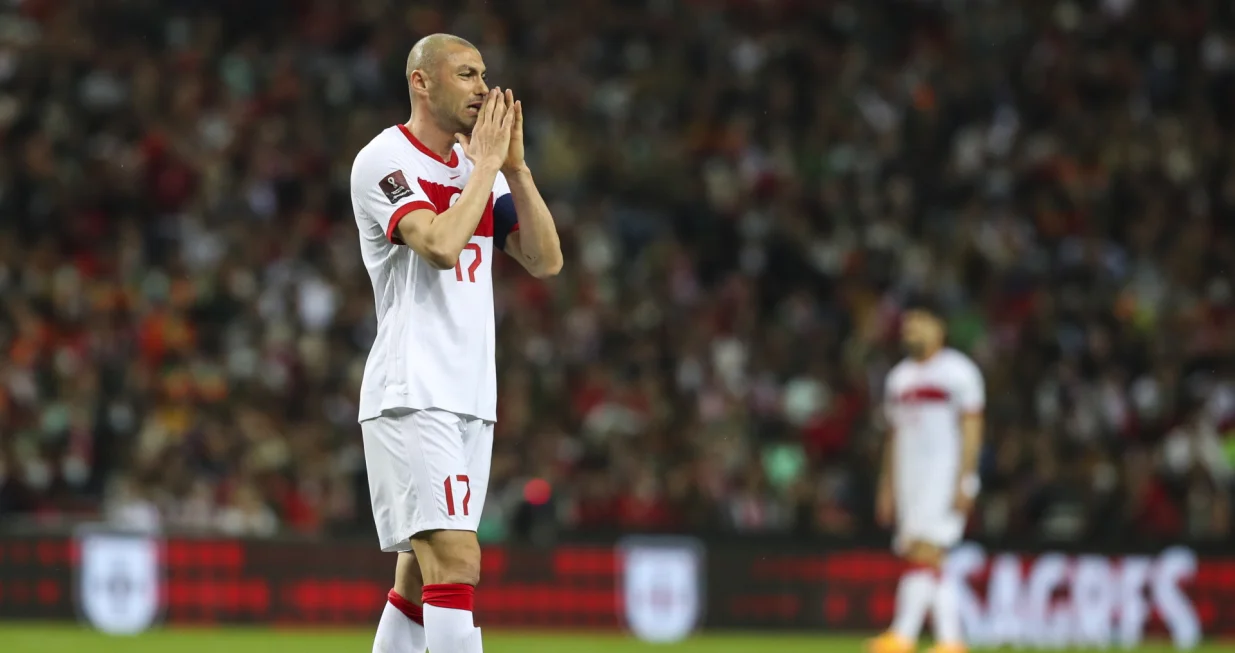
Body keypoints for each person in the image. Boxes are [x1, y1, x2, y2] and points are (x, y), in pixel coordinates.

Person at [348, 33, 563, 653]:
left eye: (484, 74)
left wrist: (514, 168)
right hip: (414, 389)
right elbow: (441, 246)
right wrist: (488, 167)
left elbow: (545, 260)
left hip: (470, 393)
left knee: (419, 578)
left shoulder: (481, 168)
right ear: (421, 82)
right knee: (458, 562)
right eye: (467, 74)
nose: (483, 87)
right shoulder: (382, 159)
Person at [869, 296, 985, 653]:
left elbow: (972, 429)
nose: (911, 329)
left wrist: (966, 479)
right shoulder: (899, 378)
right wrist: (886, 486)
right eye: (908, 323)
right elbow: (893, 437)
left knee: (926, 551)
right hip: (908, 478)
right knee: (925, 557)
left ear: (940, 327)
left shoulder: (959, 372)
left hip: (943, 473)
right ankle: (951, 642)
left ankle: (902, 636)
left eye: (919, 321)